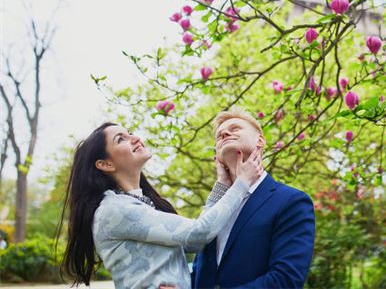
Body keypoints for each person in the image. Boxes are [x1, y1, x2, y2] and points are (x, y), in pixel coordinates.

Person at [59, 122, 263, 289]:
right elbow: (198, 234)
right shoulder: (114, 209)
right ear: (106, 164)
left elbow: (193, 242)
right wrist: (241, 184)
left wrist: (222, 185)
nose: (135, 138)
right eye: (121, 139)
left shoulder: (141, 203)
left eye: (129, 133)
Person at [192, 109, 315, 288]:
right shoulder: (214, 208)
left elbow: (286, 279)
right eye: (219, 136)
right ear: (217, 156)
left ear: (260, 141)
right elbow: (198, 273)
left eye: (235, 129)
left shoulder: (292, 202)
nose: (225, 133)